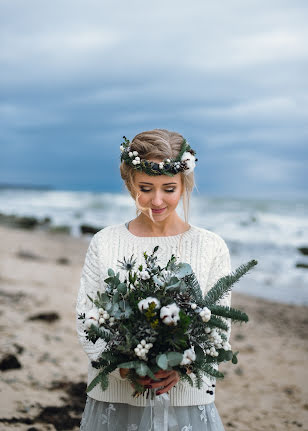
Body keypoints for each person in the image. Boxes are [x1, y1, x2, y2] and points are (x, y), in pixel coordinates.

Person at [77, 129, 232, 430]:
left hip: (186, 398)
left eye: (169, 188)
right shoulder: (105, 242)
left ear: (184, 184)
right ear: (129, 184)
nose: (156, 200)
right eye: (146, 188)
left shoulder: (211, 246)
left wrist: (183, 366)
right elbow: (87, 315)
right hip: (118, 397)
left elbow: (220, 325)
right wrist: (124, 368)